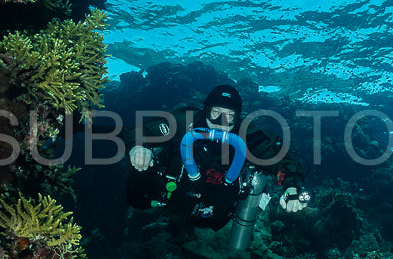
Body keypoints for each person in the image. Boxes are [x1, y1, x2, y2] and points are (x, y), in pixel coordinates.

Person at [126, 83, 310, 237]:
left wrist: (291, 187)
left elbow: (280, 160)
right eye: (216, 112)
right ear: (206, 110)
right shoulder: (184, 120)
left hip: (215, 210)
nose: (222, 122)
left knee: (207, 224)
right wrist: (139, 145)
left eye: (230, 116)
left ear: (237, 118)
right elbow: (146, 129)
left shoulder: (247, 134)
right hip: (171, 194)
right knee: (137, 197)